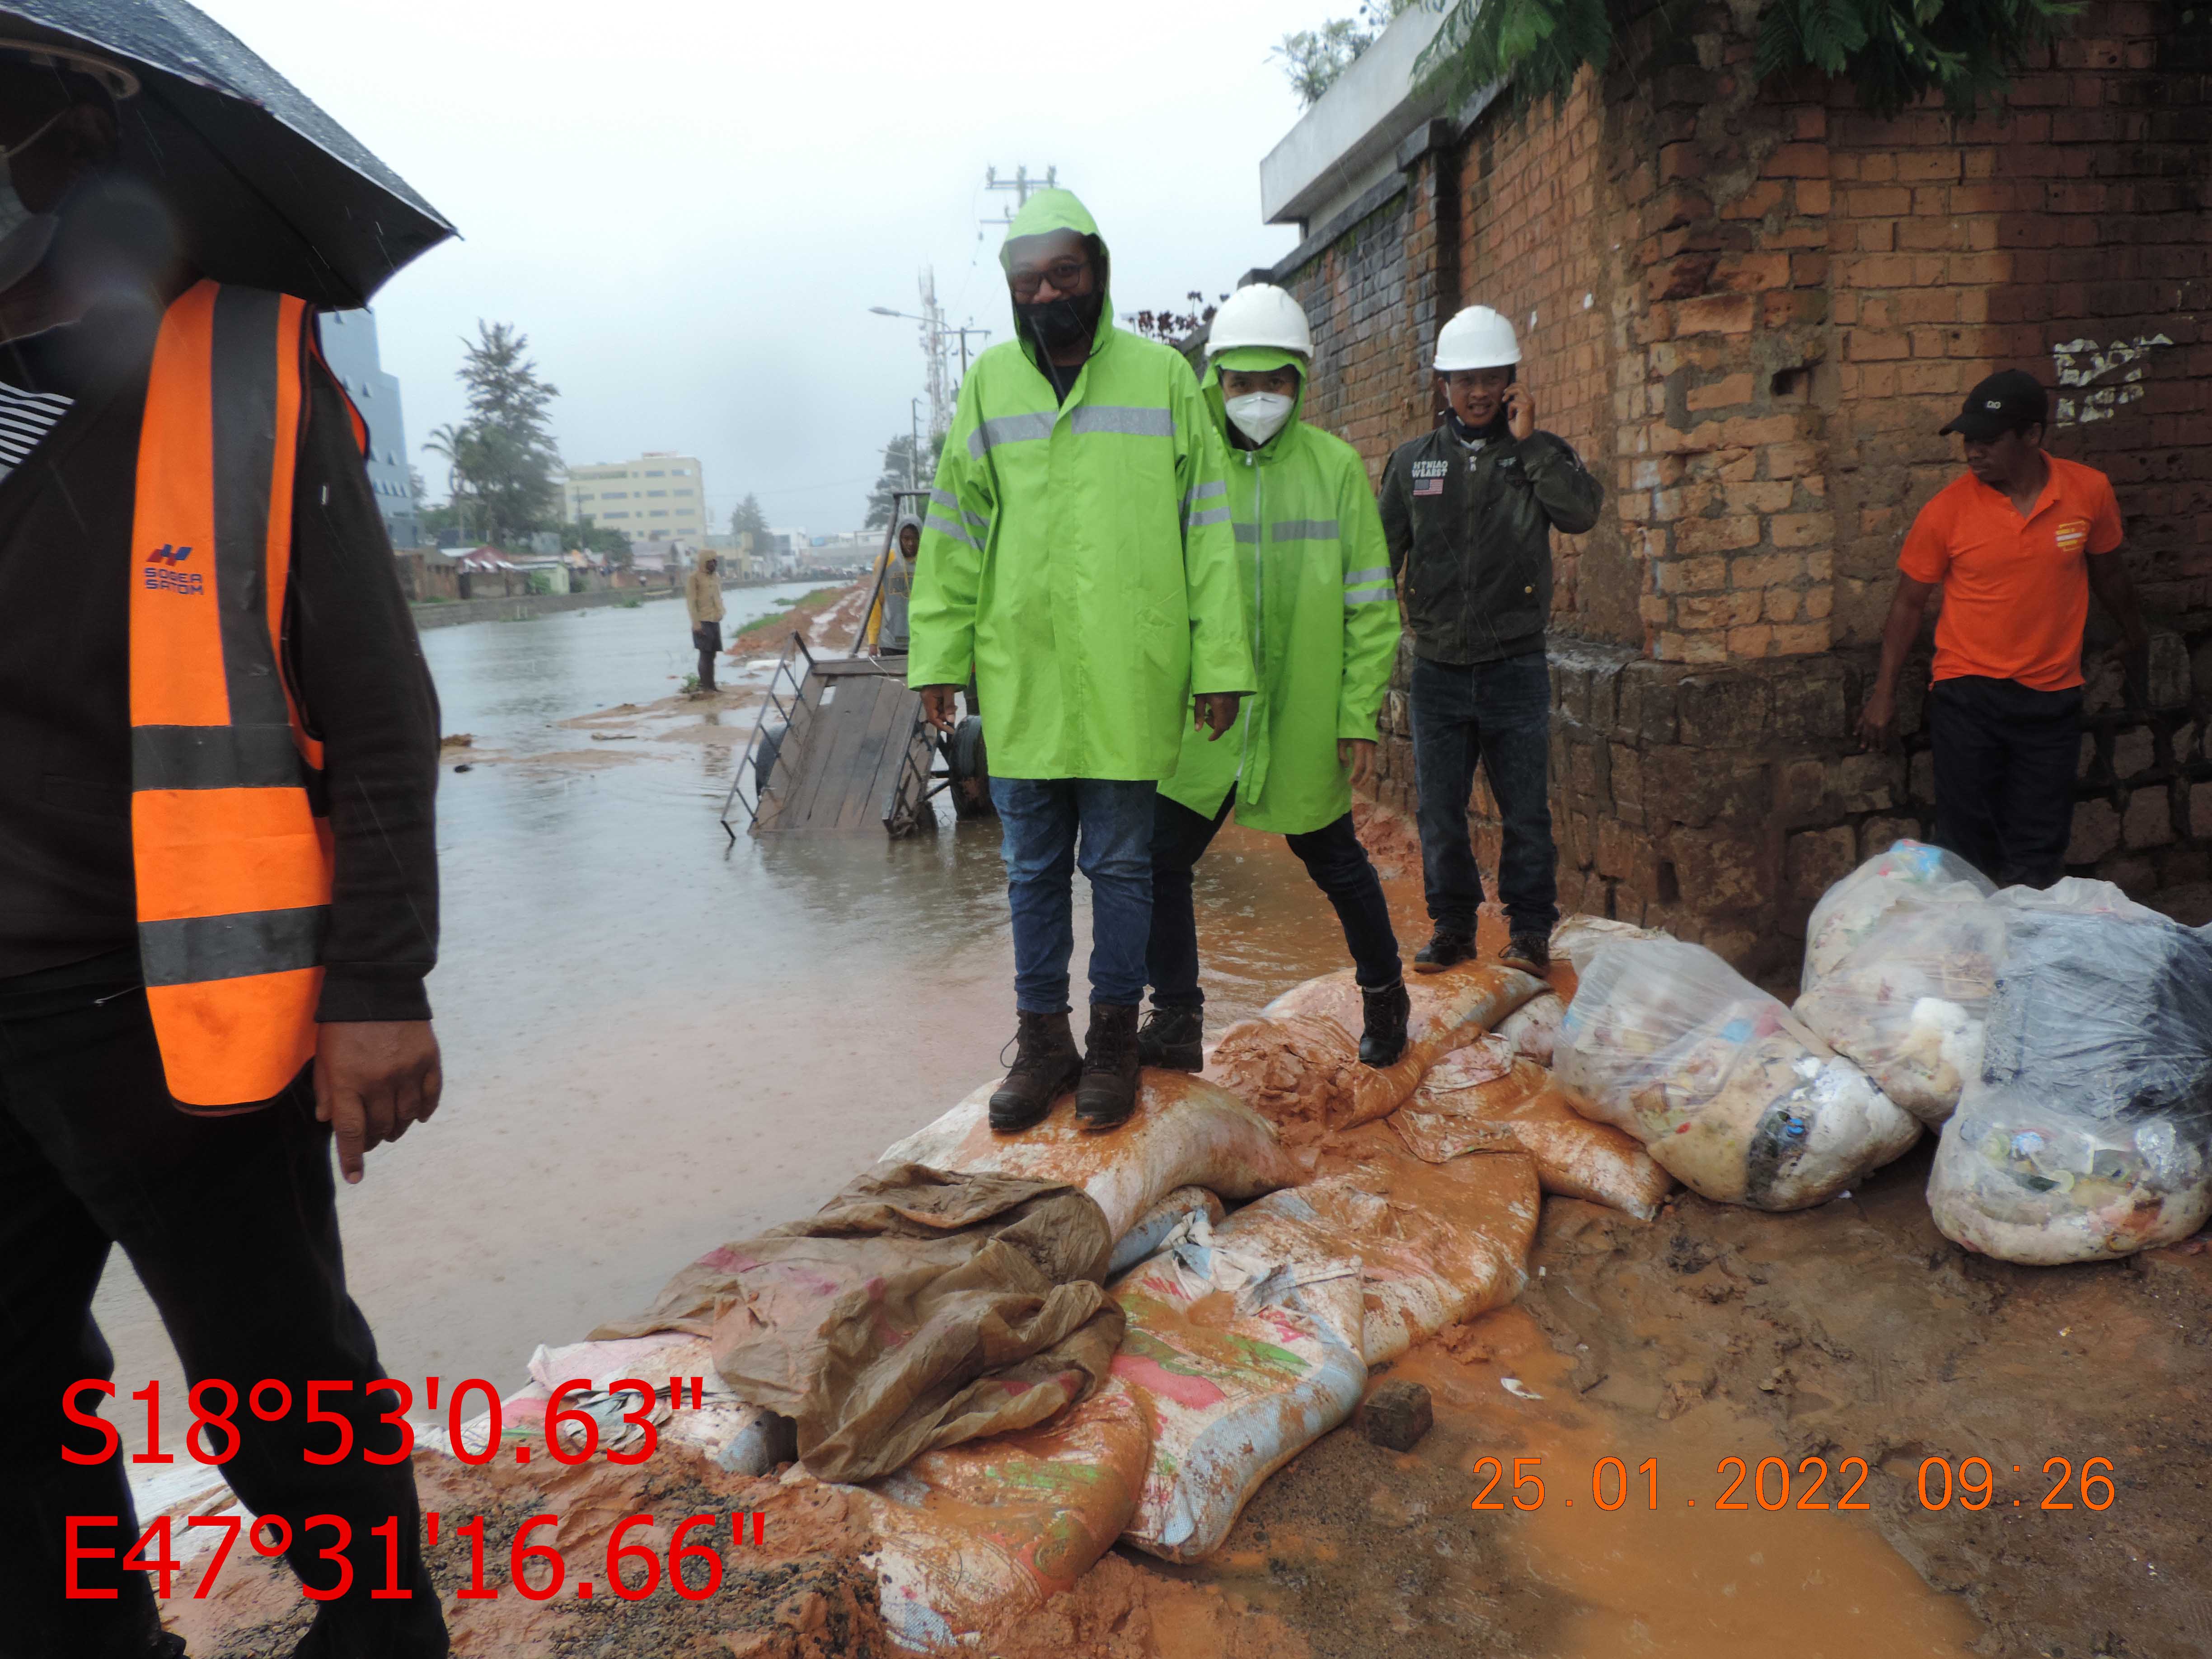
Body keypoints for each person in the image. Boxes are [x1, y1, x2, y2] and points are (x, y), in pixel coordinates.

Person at [0, 47, 448, 1659]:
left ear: (77, 132)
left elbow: (383, 711)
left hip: (178, 1021)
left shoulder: (245, 368)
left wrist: (378, 981)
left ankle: (386, 1633)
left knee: (285, 1393)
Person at [909, 188, 1251, 1132]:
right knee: (1028, 868)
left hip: (1128, 671)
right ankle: (1042, 1040)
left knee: (1125, 867)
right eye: (1030, 280)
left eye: (1064, 273)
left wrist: (1221, 662)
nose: (1047, 292)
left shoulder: (1162, 380)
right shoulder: (989, 386)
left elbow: (1209, 533)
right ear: (1012, 289)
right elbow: (954, 529)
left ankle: (1114, 1042)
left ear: (1097, 272)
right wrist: (937, 654)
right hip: (1021, 671)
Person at [1139, 285, 1408, 1071]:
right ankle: (1177, 1018)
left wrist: (1356, 712)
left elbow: (1371, 604)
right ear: (1214, 380)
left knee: (1336, 860)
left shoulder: (1333, 470)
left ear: (1302, 381)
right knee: (1159, 861)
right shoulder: (1188, 467)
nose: (1260, 398)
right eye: (1242, 381)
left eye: (1277, 381)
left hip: (1298, 714)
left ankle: (1387, 996)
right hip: (1207, 720)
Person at [1858, 369, 2148, 888]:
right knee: (1966, 845)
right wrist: (1883, 693)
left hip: (2052, 699)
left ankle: (2025, 957)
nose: (1973, 452)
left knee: (2039, 845)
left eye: (1988, 440)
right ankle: (1971, 957)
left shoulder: (2088, 492)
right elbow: (1907, 605)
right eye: (1969, 440)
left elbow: (2110, 572)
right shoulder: (1946, 512)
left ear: (2032, 436)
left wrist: (2134, 632)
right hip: (1968, 697)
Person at [1380, 305, 1602, 976]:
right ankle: (1452, 928)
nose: (1477, 393)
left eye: (1491, 379)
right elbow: (1377, 558)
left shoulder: (1541, 454)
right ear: (1443, 385)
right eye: (1464, 380)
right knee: (1440, 812)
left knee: (1525, 812)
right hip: (1439, 672)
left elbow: (1581, 513)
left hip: (1515, 667)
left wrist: (1531, 445)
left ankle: (1530, 932)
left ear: (1511, 383)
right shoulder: (1413, 463)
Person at [865, 511, 921, 655]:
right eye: (906, 538)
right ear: (899, 537)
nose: (910, 543)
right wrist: (873, 642)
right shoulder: (885, 561)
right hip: (891, 641)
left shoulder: (928, 563)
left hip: (921, 641)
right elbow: (876, 603)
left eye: (915, 538)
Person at [686, 551, 726, 691]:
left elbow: (719, 597)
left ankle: (712, 686)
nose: (714, 564)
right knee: (705, 654)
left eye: (715, 561)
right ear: (703, 563)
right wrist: (696, 624)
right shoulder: (694, 578)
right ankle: (705, 687)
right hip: (702, 621)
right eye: (710, 562)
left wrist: (722, 612)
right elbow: (691, 602)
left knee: (713, 654)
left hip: (714, 620)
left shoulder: (716, 577)